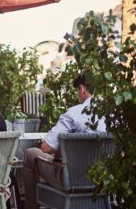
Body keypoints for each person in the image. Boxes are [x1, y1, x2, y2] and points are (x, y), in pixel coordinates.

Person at [22, 74, 106, 209]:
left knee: (30, 154)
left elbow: (46, 148)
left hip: (74, 178)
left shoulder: (74, 113)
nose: (79, 95)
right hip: (105, 179)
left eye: (78, 91)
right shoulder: (113, 113)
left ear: (82, 89)